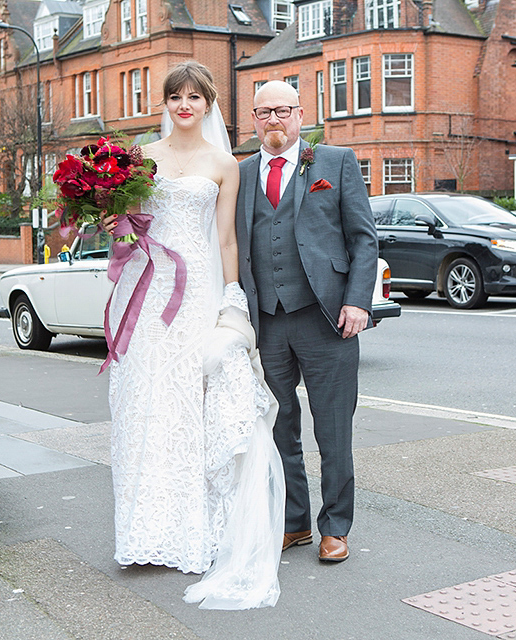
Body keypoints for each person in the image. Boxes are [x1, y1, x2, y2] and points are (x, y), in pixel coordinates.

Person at [102, 61, 285, 610]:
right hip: (148, 284)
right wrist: (115, 225)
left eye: (195, 97)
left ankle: (193, 532)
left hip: (198, 290)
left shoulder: (224, 163)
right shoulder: (141, 159)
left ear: (209, 104)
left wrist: (232, 297)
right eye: (176, 96)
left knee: (190, 405)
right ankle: (145, 532)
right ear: (166, 103)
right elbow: (130, 227)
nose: (185, 105)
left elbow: (226, 239)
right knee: (142, 402)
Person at [236, 80, 378, 563]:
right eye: (263, 112)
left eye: (282, 110)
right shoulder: (241, 173)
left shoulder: (335, 162)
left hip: (327, 317)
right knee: (278, 428)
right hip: (267, 323)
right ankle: (293, 522)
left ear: (300, 114)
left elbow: (364, 239)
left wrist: (358, 301)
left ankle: (335, 526)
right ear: (253, 119)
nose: (273, 120)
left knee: (333, 429)